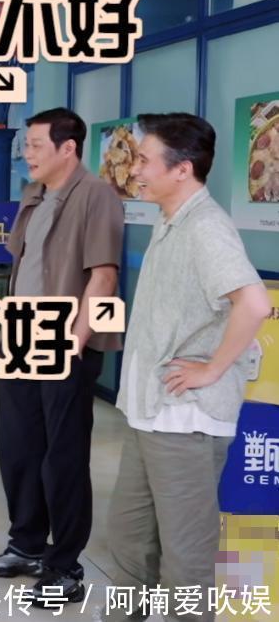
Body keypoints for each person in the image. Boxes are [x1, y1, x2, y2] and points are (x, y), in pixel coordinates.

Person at [105, 114, 271, 622]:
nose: (135, 170)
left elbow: (255, 303)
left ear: (183, 169)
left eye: (145, 160)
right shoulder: (170, 218)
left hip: (185, 419)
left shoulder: (206, 227)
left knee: (185, 558)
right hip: (149, 410)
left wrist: (212, 369)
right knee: (130, 538)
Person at [0, 108, 125, 607]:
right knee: (18, 447)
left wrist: (74, 344)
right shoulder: (34, 195)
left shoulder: (97, 195)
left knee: (62, 457)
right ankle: (26, 544)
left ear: (68, 148)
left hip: (66, 344)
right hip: (22, 338)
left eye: (36, 145)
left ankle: (65, 566)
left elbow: (103, 276)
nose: (27, 153)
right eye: (26, 145)